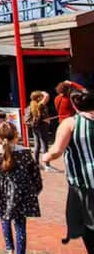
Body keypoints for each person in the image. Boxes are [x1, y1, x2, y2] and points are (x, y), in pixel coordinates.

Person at [0, 121, 42, 254]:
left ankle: (9, 248)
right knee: (20, 225)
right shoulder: (25, 153)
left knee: (5, 218)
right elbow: (35, 173)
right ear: (16, 136)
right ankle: (20, 252)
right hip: (21, 192)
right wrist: (36, 190)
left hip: (2, 192)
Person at [43, 87, 94, 252]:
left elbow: (57, 150)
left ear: (75, 105)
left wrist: (45, 157)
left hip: (84, 182)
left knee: (87, 223)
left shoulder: (71, 123)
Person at [25, 90, 58, 172]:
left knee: (38, 146)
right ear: (39, 98)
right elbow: (34, 119)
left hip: (38, 128)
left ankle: (36, 163)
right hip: (41, 128)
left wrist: (45, 120)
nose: (45, 98)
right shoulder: (38, 106)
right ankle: (47, 165)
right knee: (44, 146)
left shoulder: (34, 106)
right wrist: (44, 121)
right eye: (42, 97)